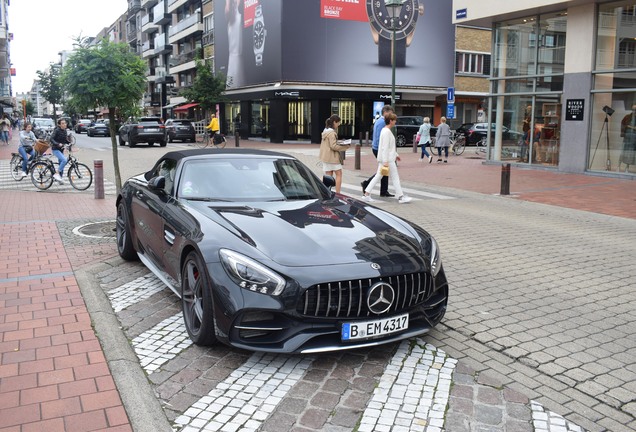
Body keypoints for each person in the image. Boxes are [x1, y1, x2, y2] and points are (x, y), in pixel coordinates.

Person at [363, 112, 412, 204]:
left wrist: (395, 155)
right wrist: (386, 160)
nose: (395, 122)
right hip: (388, 160)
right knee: (394, 177)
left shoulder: (384, 130)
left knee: (378, 176)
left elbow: (387, 147)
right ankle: (400, 196)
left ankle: (366, 194)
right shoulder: (387, 132)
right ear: (391, 121)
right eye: (394, 120)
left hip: (386, 159)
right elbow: (385, 147)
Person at [361, 105, 393, 197]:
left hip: (377, 148)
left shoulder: (380, 121)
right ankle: (367, 183)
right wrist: (383, 151)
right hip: (378, 149)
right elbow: (380, 138)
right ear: (385, 112)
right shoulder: (382, 122)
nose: (391, 116)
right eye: (390, 113)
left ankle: (383, 190)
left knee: (385, 169)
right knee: (382, 170)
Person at [319, 114, 350, 194]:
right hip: (332, 157)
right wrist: (345, 147)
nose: (338, 125)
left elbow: (330, 144)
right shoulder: (332, 133)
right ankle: (338, 193)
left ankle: (327, 193)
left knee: (329, 175)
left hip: (325, 157)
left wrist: (339, 143)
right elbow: (333, 146)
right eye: (338, 123)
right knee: (339, 174)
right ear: (334, 122)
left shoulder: (325, 131)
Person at [225, 0, 245, 88]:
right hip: (237, 20)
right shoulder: (237, 17)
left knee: (234, 53)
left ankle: (231, 85)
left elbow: (227, 10)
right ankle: (235, 83)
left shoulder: (232, 18)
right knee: (236, 53)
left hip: (233, 21)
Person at [48, 118, 70, 184]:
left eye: (65, 123)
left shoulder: (65, 131)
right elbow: (51, 139)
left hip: (61, 149)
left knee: (61, 164)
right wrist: (57, 144)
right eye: (62, 123)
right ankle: (56, 174)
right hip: (55, 149)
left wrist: (69, 143)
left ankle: (59, 179)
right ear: (59, 125)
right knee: (64, 160)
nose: (64, 124)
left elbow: (65, 140)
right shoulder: (57, 130)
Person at [619, 104, 636, 172]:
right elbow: (623, 124)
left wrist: (630, 127)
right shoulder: (627, 117)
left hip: (634, 139)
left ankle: (627, 167)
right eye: (633, 109)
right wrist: (623, 133)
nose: (634, 111)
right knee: (624, 151)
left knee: (631, 153)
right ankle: (619, 166)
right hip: (627, 137)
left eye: (635, 110)